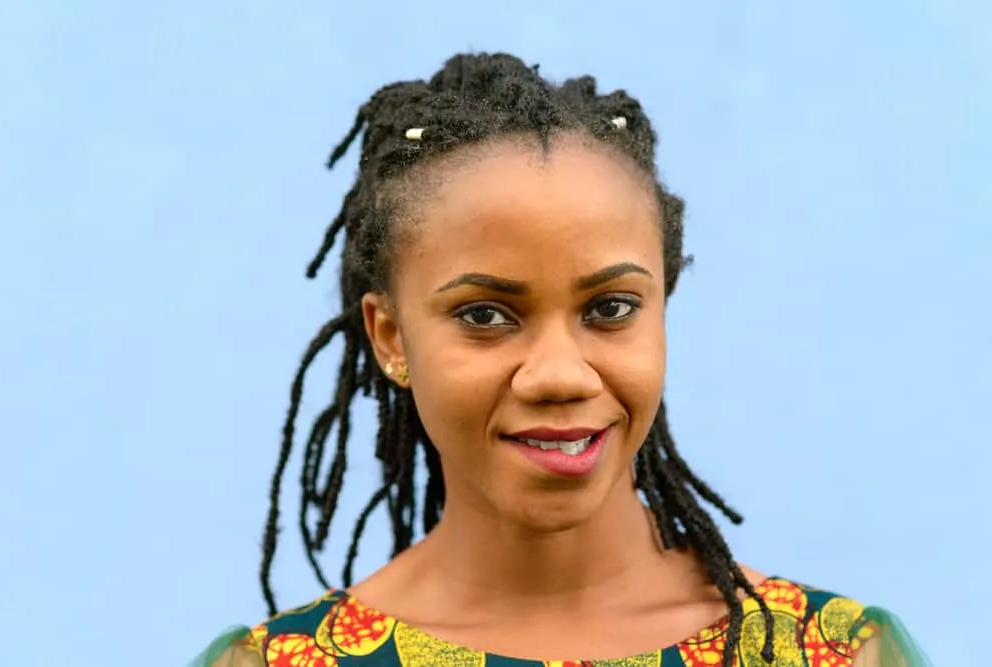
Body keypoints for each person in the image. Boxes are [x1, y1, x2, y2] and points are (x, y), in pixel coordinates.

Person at [193, 53, 930, 666]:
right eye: (484, 315)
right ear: (389, 337)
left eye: (609, 308)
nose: (559, 374)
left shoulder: (827, 655)